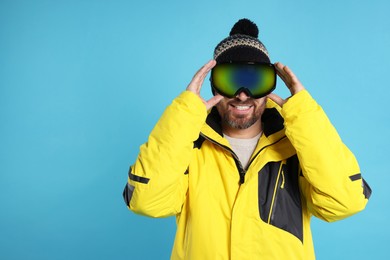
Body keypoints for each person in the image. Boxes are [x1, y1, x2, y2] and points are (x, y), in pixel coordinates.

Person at [123, 18, 371, 259]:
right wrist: (185, 112)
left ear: (271, 86)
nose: (243, 96)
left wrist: (303, 112)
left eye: (255, 81)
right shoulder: (189, 143)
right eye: (230, 81)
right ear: (213, 85)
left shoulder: (297, 146)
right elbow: (147, 201)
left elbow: (344, 202)